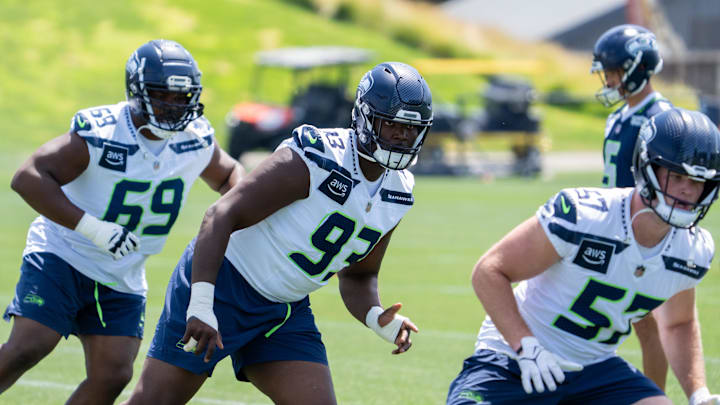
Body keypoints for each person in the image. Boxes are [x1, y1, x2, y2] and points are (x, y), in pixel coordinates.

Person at [121, 61, 433, 405]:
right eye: (392, 124)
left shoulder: (399, 191)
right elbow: (221, 214)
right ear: (364, 116)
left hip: (284, 310)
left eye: (411, 128)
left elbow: (359, 277)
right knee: (154, 401)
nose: (402, 136)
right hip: (224, 285)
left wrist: (376, 317)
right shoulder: (318, 156)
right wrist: (201, 303)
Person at [0, 39, 243, 404]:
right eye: (163, 94)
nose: (173, 106)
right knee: (29, 345)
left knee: (113, 373)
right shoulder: (102, 132)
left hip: (123, 273)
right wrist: (92, 227)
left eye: (183, 97)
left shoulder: (195, 138)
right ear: (138, 90)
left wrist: (246, 208)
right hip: (64, 253)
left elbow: (230, 177)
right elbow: (29, 176)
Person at [447, 108, 720, 405]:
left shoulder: (693, 250)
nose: (687, 191)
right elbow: (489, 271)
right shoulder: (583, 215)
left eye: (698, 182)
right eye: (677, 175)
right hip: (514, 358)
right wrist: (526, 345)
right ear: (648, 168)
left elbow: (678, 323)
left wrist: (698, 393)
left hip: (596, 370)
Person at [591, 23, 673, 388]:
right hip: (612, 226)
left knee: (648, 322)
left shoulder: (662, 118)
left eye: (612, 73)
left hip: (644, 231)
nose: (608, 81)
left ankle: (654, 394)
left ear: (636, 69)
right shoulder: (618, 115)